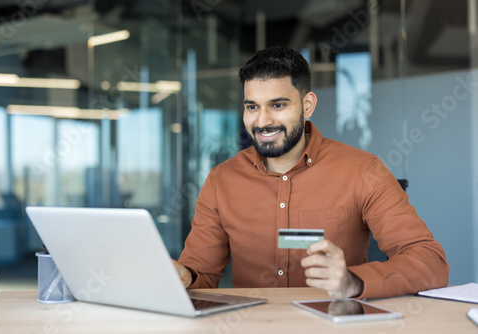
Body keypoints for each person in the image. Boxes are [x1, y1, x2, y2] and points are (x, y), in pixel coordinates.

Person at [173, 46, 449, 299]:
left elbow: (430, 262)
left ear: (307, 106)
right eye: (252, 107)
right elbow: (201, 275)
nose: (263, 121)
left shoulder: (363, 171)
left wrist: (353, 281)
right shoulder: (222, 180)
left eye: (278, 105)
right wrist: (186, 276)